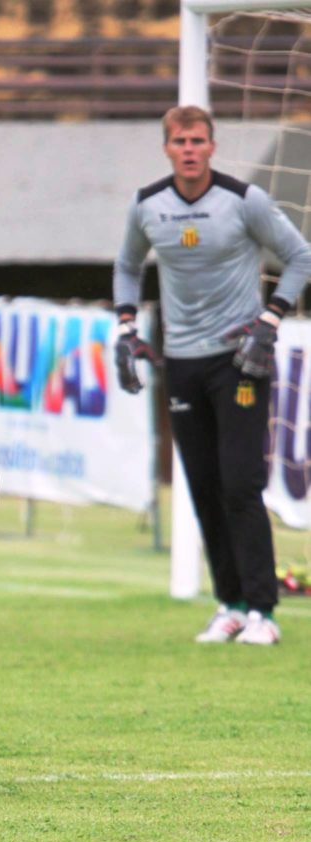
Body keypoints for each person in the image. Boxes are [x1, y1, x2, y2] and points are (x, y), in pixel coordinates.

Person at [113, 104, 311, 645]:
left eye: (198, 140)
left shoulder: (244, 201)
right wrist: (127, 325)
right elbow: (129, 265)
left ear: (212, 145)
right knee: (201, 486)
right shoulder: (147, 205)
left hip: (239, 360)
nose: (190, 149)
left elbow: (300, 256)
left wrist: (271, 318)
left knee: (240, 484)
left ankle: (264, 613)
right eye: (180, 141)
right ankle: (230, 604)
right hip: (180, 362)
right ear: (167, 148)